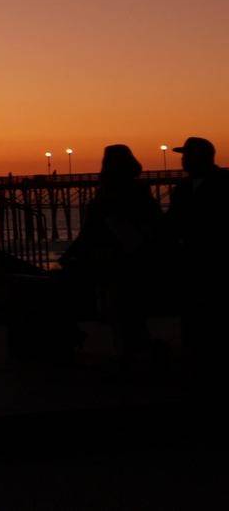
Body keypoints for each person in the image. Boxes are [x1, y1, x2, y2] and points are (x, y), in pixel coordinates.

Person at [60, 145, 160, 365]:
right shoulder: (139, 189)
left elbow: (91, 228)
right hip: (133, 256)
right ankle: (137, 349)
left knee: (118, 305)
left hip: (111, 257)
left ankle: (128, 352)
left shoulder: (107, 192)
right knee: (129, 307)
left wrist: (72, 252)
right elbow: (154, 222)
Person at [165, 136, 229, 377]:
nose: (183, 161)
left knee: (215, 314)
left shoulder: (223, 184)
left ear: (201, 157)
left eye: (187, 155)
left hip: (216, 261)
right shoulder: (183, 188)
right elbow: (172, 224)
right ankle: (196, 360)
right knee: (192, 314)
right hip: (190, 262)